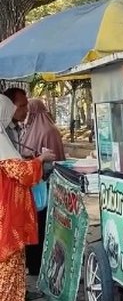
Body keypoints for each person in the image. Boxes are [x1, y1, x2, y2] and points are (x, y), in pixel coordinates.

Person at [0, 95, 54, 301]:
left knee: (16, 256)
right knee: (7, 257)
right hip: (7, 208)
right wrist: (40, 159)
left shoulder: (4, 136)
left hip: (12, 206)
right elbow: (21, 173)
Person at [21, 98, 65, 277]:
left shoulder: (40, 130)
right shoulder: (47, 129)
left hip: (40, 186)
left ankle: (36, 265)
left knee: (39, 227)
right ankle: (39, 264)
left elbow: (53, 160)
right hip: (40, 186)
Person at [2, 86, 29, 151]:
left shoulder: (17, 128)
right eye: (22, 106)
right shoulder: (3, 131)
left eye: (26, 105)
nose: (27, 110)